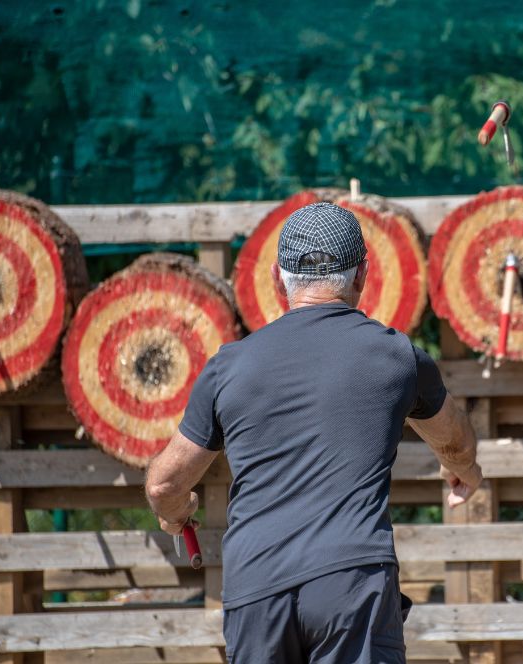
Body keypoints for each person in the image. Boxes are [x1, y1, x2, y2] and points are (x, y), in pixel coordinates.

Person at [145, 202, 484, 664]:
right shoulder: (398, 357)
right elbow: (456, 440)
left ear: (276, 279)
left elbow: (164, 483)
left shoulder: (229, 367)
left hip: (256, 590)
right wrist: (462, 470)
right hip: (351, 584)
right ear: (362, 275)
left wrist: (176, 512)